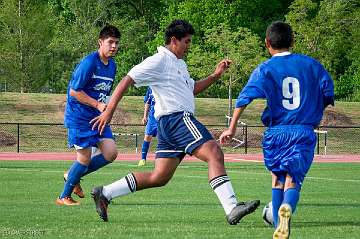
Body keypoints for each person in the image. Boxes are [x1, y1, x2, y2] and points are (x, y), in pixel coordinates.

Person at [90, 19, 260, 223]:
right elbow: (127, 79)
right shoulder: (159, 60)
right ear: (173, 40)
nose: (189, 46)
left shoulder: (178, 63)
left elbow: (192, 88)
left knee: (159, 177)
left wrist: (215, 76)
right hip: (178, 119)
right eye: (187, 42)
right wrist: (109, 112)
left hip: (168, 125)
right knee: (214, 152)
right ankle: (232, 207)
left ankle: (105, 193)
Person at [220, 21, 334, 238]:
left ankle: (277, 222)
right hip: (302, 131)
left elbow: (245, 97)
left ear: (267, 43)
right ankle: (287, 209)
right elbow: (328, 91)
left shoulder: (265, 68)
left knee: (277, 179)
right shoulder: (312, 65)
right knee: (294, 180)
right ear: (293, 41)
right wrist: (316, 112)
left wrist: (232, 127)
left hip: (276, 132)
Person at [56, 25, 121, 206]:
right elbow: (74, 92)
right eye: (110, 42)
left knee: (110, 153)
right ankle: (63, 196)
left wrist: (105, 109)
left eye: (116, 43)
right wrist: (98, 104)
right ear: (100, 42)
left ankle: (72, 175)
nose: (114, 46)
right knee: (83, 159)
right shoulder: (89, 62)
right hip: (80, 117)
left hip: (98, 117)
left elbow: (103, 92)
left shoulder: (112, 65)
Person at [138, 87, 157, 166]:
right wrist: (145, 116)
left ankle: (162, 160)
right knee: (147, 137)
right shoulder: (150, 87)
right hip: (152, 117)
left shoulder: (166, 85)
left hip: (163, 117)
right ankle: (143, 159)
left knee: (163, 138)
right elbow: (147, 102)